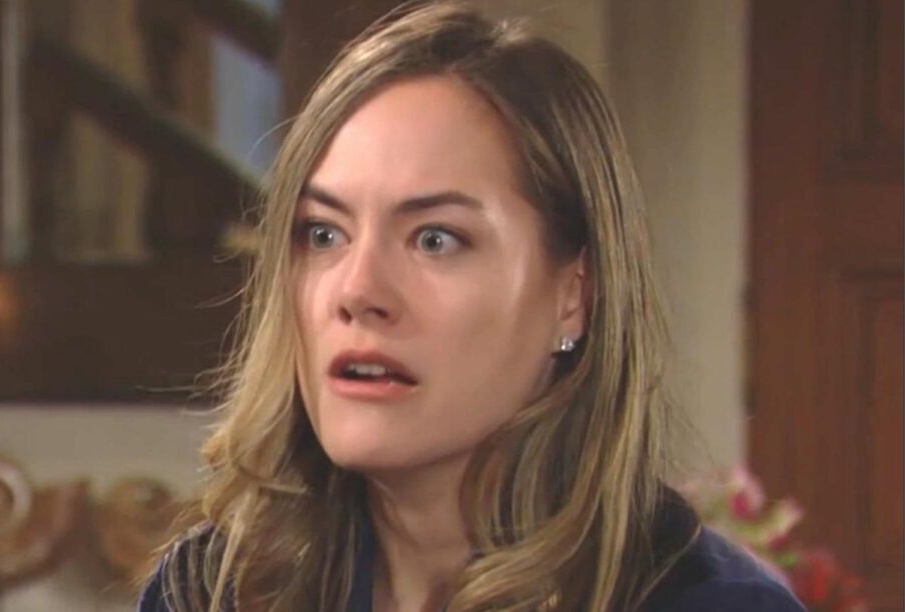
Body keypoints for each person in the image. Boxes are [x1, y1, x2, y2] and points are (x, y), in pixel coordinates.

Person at [139, 3, 805, 611]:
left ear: (574, 296)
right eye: (324, 234)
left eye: (436, 239)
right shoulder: (210, 591)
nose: (357, 291)